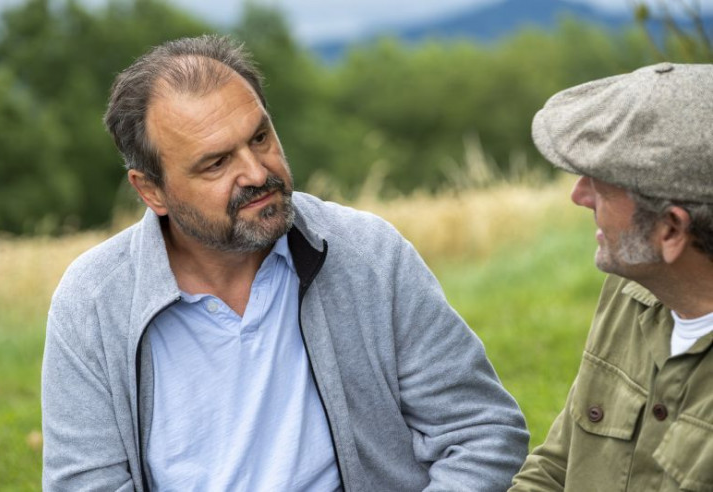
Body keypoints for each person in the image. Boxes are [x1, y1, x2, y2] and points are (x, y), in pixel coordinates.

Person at [41, 34, 528, 491]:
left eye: (259, 138)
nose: (257, 173)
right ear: (151, 191)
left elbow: (482, 430)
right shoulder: (93, 303)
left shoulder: (370, 255)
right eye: (216, 163)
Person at [509, 62, 713, 491]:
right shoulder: (632, 288)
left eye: (603, 184)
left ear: (670, 230)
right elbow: (556, 467)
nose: (579, 195)